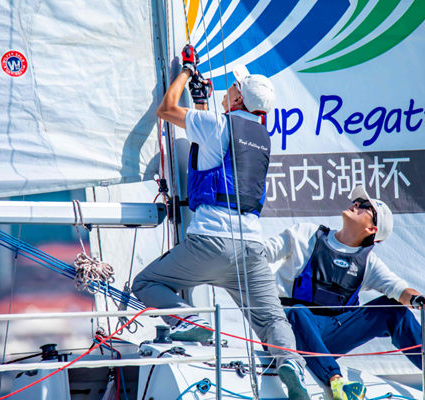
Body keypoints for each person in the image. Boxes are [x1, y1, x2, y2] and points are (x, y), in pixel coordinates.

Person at [132, 45, 310, 399]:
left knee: (146, 282)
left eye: (233, 87)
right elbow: (213, 150)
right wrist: (201, 101)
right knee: (272, 320)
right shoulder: (263, 138)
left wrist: (186, 71)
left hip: (210, 243)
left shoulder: (217, 124)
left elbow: (166, 110)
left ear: (239, 98)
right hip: (251, 249)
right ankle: (291, 363)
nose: (227, 90)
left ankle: (192, 322)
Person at [264, 185, 425, 400]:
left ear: (372, 229)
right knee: (297, 312)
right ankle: (336, 381)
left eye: (365, 206)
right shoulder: (305, 233)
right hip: (287, 331)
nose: (356, 204)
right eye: (357, 202)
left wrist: (416, 298)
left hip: (329, 334)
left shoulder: (368, 264)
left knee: (392, 309)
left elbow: (399, 289)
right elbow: (261, 254)